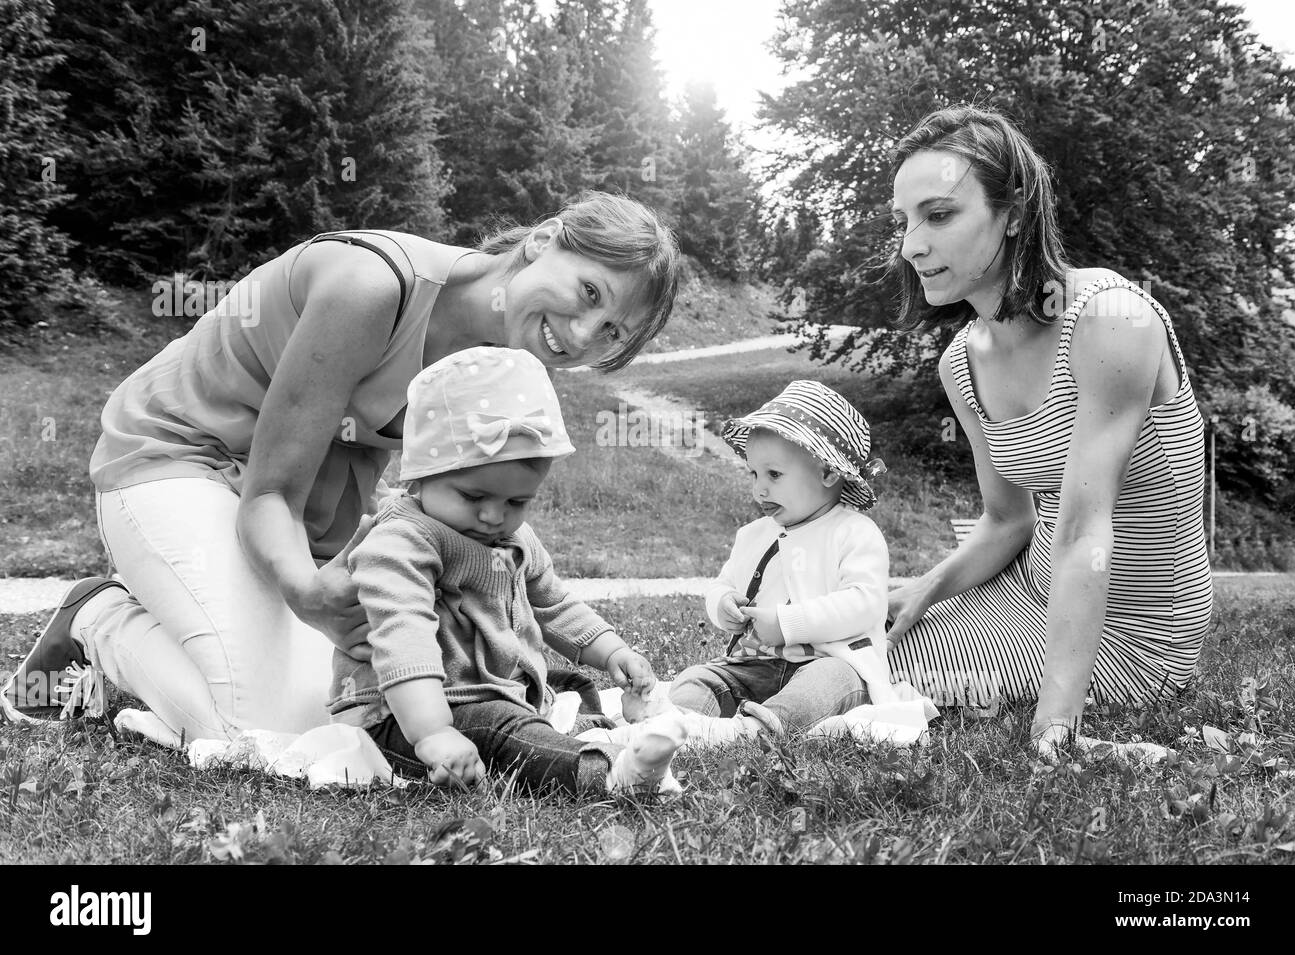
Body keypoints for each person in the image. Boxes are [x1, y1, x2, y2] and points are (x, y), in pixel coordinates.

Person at [2, 192, 681, 748]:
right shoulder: (372, 287)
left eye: (614, 332)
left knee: (347, 711)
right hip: (177, 460)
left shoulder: (497, 364)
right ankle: (98, 617)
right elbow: (271, 493)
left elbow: (447, 512)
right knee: (265, 724)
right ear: (544, 240)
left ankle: (192, 612)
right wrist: (307, 592)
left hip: (298, 505)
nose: (585, 336)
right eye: (589, 291)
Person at [880, 105, 1212, 757]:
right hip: (1032, 586)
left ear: (1013, 213)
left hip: (1140, 632)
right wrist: (928, 585)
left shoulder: (1111, 321)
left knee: (869, 667)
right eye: (904, 221)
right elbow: (1009, 522)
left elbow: (1086, 528)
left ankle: (714, 722)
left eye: (939, 214)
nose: (911, 245)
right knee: (863, 631)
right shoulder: (961, 363)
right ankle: (695, 712)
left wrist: (1055, 724)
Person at [330, 347, 686, 793]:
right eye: (474, 497)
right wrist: (434, 733)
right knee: (502, 728)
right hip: (404, 716)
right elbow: (404, 639)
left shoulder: (514, 539)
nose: (493, 516)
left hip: (486, 693)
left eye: (516, 502)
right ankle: (607, 772)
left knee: (563, 684)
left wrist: (612, 651)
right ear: (420, 476)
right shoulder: (402, 542)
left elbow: (554, 602)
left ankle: (574, 731)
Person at [663, 381, 892, 743]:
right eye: (754, 474)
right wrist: (724, 605)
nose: (759, 490)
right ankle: (678, 725)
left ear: (829, 473)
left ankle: (755, 731)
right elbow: (723, 584)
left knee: (831, 682)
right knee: (699, 678)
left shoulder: (854, 533)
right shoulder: (754, 535)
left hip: (828, 663)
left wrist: (788, 624)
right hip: (753, 666)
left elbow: (864, 605)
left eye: (774, 475)